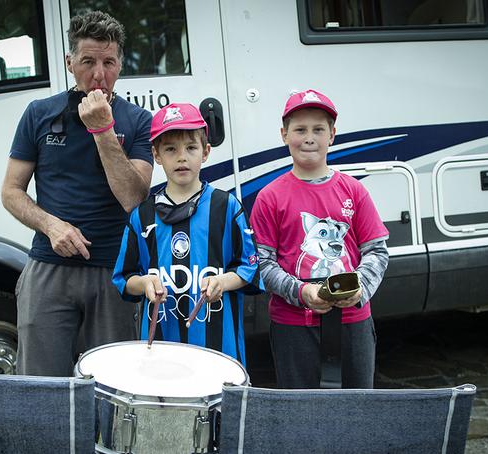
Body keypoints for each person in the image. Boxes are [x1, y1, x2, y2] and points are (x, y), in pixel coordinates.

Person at [1, 11, 154, 376]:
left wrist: (103, 131)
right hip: (48, 267)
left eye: (109, 62)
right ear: (70, 62)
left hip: (115, 271)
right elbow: (10, 192)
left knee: (113, 383)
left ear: (120, 65)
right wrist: (51, 226)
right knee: (41, 382)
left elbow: (134, 198)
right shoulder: (39, 113)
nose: (99, 74)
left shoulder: (138, 121)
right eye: (88, 61)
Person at [249, 89, 389, 389]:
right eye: (300, 130)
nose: (309, 138)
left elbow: (376, 251)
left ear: (332, 135)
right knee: (303, 414)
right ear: (284, 134)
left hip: (353, 321)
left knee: (357, 408)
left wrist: (360, 287)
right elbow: (263, 264)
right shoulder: (269, 197)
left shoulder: (354, 191)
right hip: (294, 326)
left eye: (318, 129)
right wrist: (302, 293)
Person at [112, 103, 263, 365]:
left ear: (205, 152)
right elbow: (124, 279)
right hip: (161, 350)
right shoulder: (142, 215)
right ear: (156, 155)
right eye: (171, 149)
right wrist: (146, 283)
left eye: (191, 148)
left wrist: (222, 282)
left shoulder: (226, 207)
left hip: (220, 352)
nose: (182, 157)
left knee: (220, 406)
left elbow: (249, 268)